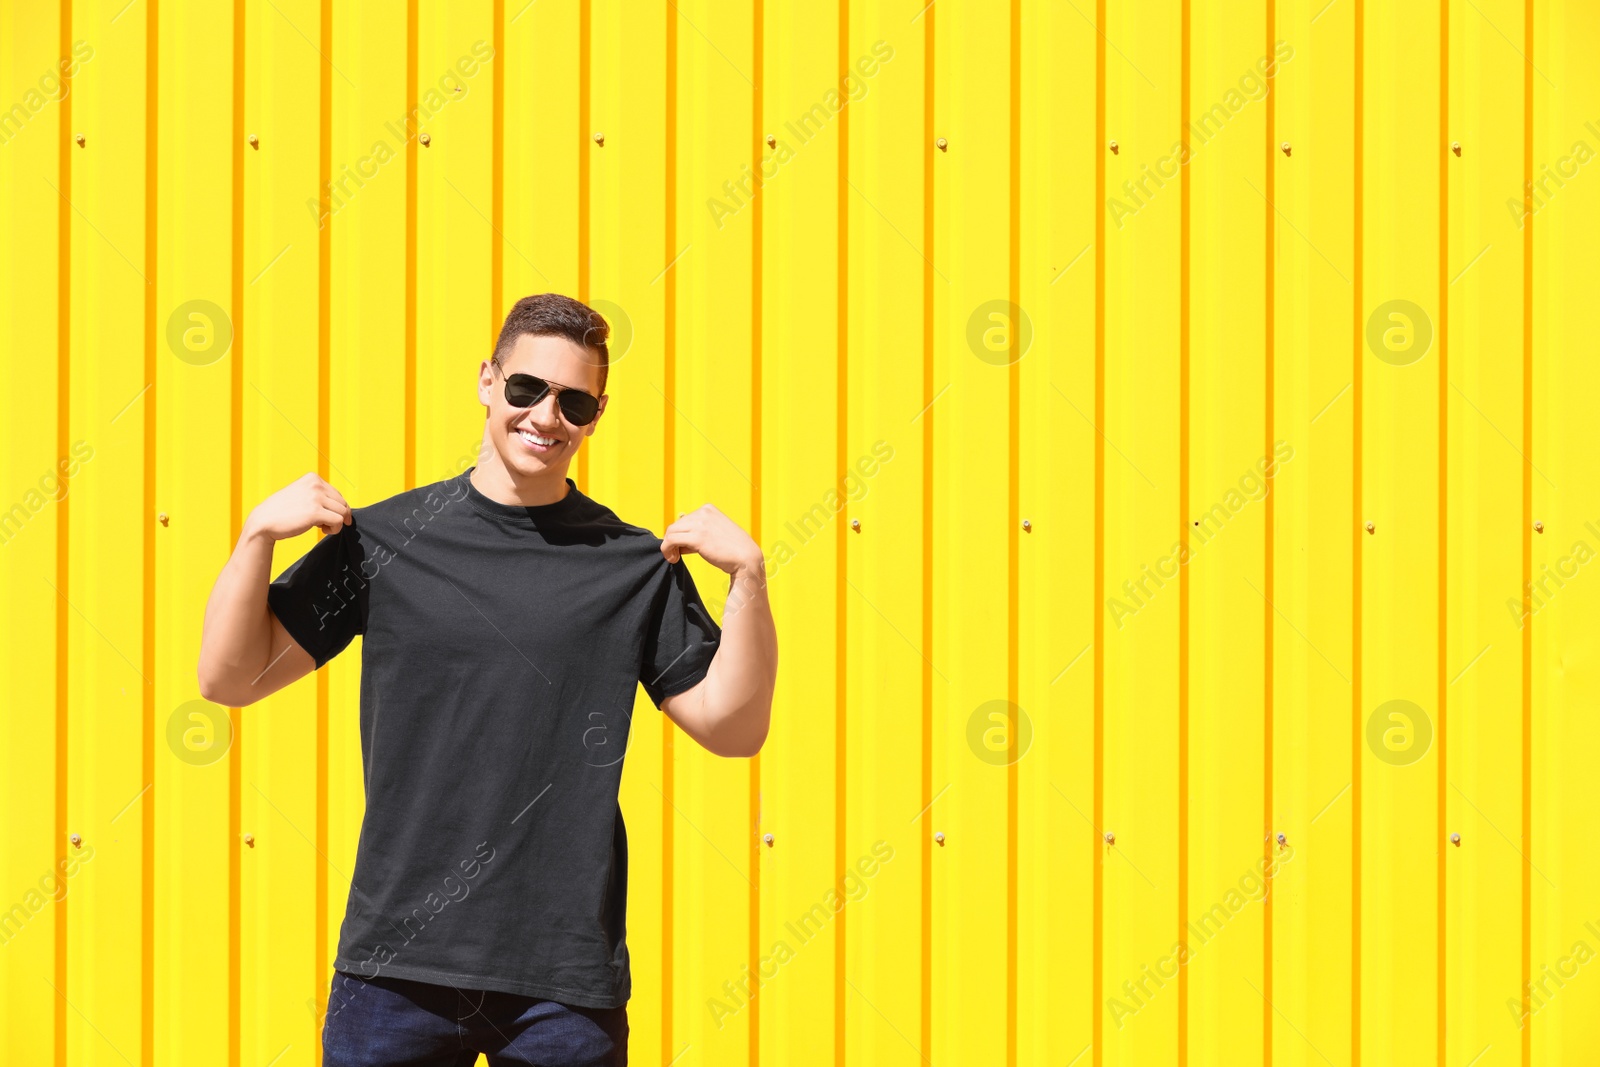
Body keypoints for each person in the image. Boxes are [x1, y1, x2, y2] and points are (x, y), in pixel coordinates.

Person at [196, 293, 778, 1066]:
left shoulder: (632, 564)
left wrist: (751, 580)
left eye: (573, 401)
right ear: (486, 381)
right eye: (527, 388)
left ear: (597, 414)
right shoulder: (384, 541)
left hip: (562, 983)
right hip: (394, 968)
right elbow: (229, 677)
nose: (546, 416)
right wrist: (255, 537)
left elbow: (733, 728)